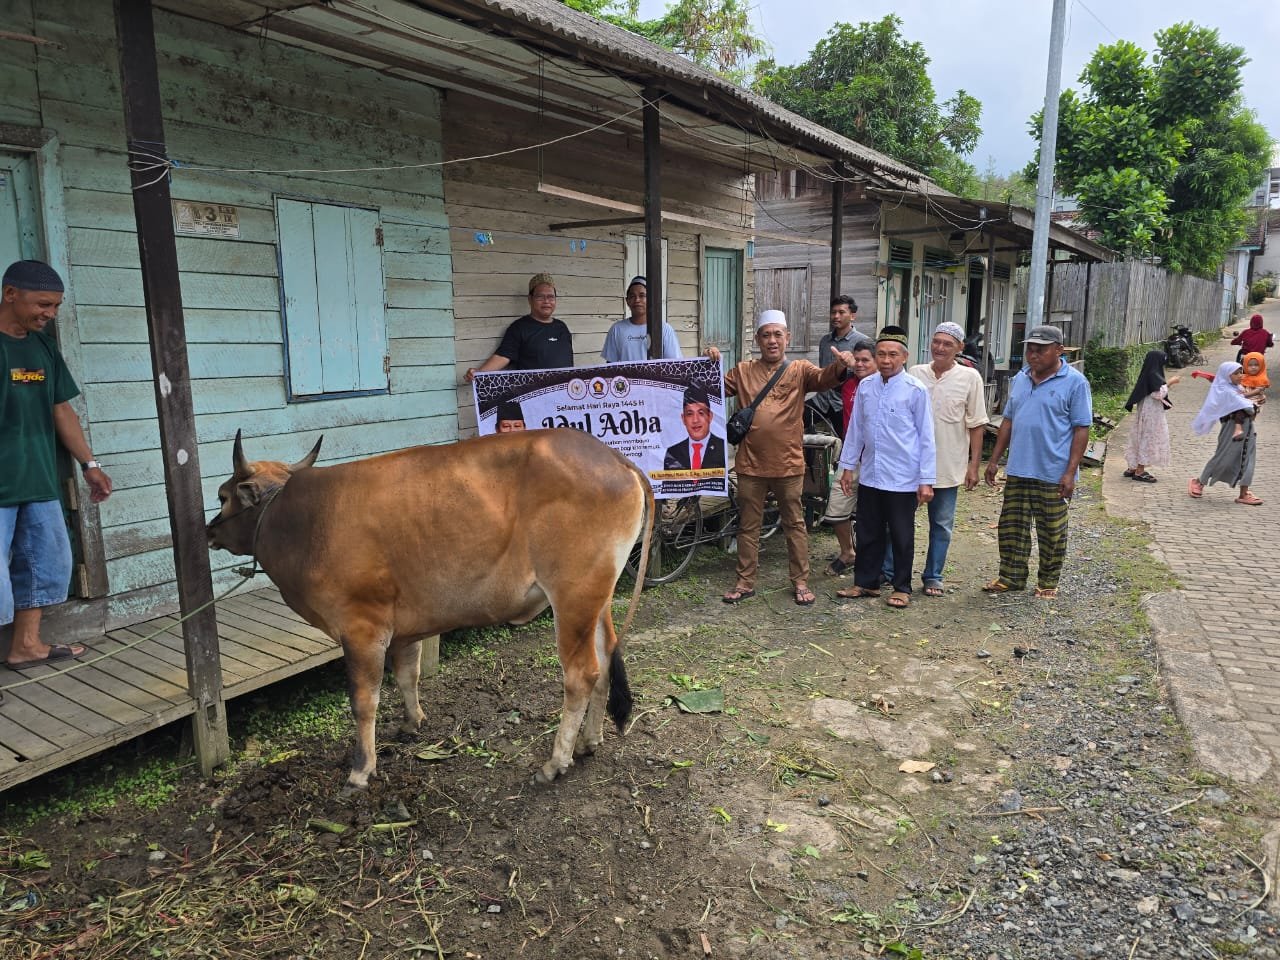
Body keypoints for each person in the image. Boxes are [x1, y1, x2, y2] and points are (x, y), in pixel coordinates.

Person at [1, 260, 112, 671]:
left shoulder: (42, 346)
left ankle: (26, 645)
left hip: (39, 478)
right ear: (10, 294)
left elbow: (60, 408)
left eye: (56, 307)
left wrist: (90, 464)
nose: (50, 314)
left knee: (47, 563)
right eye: (43, 304)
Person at [705, 310, 853, 607]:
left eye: (777, 335)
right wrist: (709, 365)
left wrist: (840, 366)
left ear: (787, 338)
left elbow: (824, 380)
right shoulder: (744, 370)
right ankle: (745, 582)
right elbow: (713, 389)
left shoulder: (800, 369)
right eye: (766, 335)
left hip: (788, 464)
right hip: (750, 464)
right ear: (758, 339)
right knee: (748, 525)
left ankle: (800, 581)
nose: (772, 341)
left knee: (795, 524)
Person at [982, 325, 1092, 600]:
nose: (1033, 354)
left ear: (1059, 350)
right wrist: (995, 460)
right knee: (1012, 527)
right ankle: (1011, 577)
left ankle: (1047, 582)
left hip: (1053, 472)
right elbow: (1008, 421)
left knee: (1052, 531)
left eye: (1040, 349)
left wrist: (1070, 473)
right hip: (1019, 468)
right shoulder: (1020, 379)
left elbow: (1082, 428)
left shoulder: (1075, 382)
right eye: (1030, 348)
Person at [832, 326, 935, 609]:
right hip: (872, 474)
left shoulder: (915, 390)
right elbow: (856, 431)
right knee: (867, 531)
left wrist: (926, 480)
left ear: (904, 357)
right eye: (881, 354)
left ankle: (902, 586)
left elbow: (926, 437)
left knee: (901, 533)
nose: (886, 360)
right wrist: (848, 467)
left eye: (892, 355)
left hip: (903, 478)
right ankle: (866, 582)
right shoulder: (866, 387)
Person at [904, 321, 988, 597]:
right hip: (911, 467)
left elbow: (976, 424)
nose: (940, 348)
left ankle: (933, 576)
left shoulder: (970, 378)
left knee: (941, 525)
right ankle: (892, 572)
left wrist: (973, 465)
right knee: (901, 522)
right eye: (936, 341)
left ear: (960, 348)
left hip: (948, 466)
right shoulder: (915, 373)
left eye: (947, 344)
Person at [820, 341, 876, 576]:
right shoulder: (849, 385)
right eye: (857, 359)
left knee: (871, 514)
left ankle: (871, 560)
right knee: (836, 509)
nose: (860, 364)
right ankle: (848, 552)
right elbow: (827, 379)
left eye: (866, 360)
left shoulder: (881, 386)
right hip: (850, 457)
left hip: (875, 459)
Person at [465, 273, 573, 382]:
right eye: (540, 296)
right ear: (530, 299)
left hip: (564, 394)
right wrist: (479, 373)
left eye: (551, 297)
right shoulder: (519, 328)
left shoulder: (562, 327)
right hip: (534, 394)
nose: (546, 301)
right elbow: (503, 357)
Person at [1188, 360, 1264, 506]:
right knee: (1223, 457)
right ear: (1226, 375)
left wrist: (1255, 401)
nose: (1239, 376)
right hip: (1231, 428)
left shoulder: (1237, 387)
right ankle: (1199, 482)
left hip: (1248, 429)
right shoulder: (1224, 390)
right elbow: (1244, 405)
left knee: (1248, 459)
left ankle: (1244, 493)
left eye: (1240, 372)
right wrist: (1255, 400)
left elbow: (1246, 404)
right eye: (1235, 373)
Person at [811, 296, 871, 428]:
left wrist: (851, 365)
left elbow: (869, 373)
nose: (836, 316)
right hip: (822, 400)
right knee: (796, 420)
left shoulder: (863, 342)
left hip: (843, 402)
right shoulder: (825, 341)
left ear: (852, 316)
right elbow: (822, 370)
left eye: (841, 312)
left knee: (846, 440)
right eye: (833, 312)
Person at [1121, 350, 1180, 483]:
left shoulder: (1147, 373)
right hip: (1152, 413)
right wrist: (1170, 382)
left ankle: (1132, 467)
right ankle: (1140, 471)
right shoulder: (1154, 374)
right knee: (1148, 437)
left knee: (1139, 436)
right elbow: (1157, 394)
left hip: (1145, 411)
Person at [601, 276, 682, 362]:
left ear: (650, 299)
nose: (637, 300)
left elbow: (674, 365)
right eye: (632, 296)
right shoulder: (617, 329)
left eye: (642, 295)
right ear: (627, 301)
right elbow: (610, 365)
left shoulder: (664, 329)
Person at [664, 386, 725, 470]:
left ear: (710, 416)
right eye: (689, 414)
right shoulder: (673, 452)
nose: (695, 420)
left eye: (701, 413)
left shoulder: (722, 448)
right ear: (683, 418)